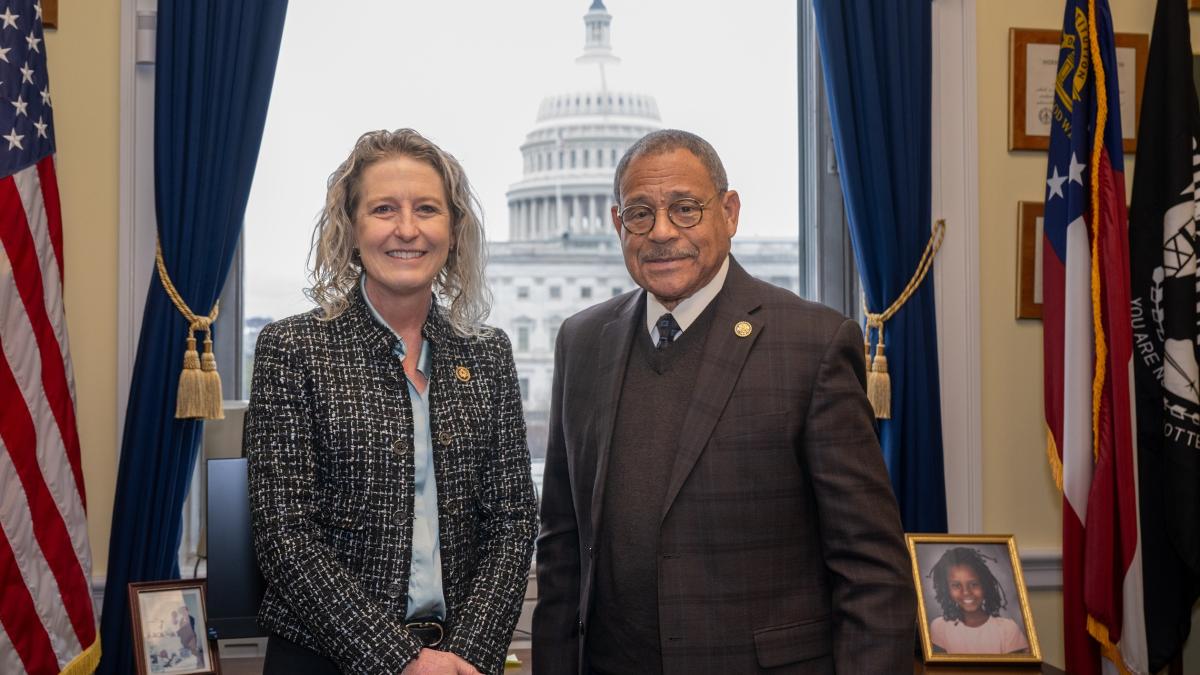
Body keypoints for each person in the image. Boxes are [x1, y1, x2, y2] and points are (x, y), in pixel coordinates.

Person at [532, 129, 916, 674]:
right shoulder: (582, 340)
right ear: (619, 225)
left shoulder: (813, 343)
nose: (662, 232)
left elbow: (871, 569)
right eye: (640, 213)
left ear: (729, 213)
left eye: (686, 209)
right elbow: (562, 546)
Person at [247, 129, 538, 675]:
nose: (407, 229)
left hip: (462, 661)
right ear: (351, 229)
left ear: (452, 231)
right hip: (325, 658)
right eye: (384, 209)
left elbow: (512, 519)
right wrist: (401, 660)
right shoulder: (293, 349)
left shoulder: (489, 352)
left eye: (427, 209)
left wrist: (468, 655)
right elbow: (285, 534)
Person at [927, 547, 1029, 654]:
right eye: (956, 585)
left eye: (974, 584)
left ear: (985, 585)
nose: (966, 592)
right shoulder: (939, 627)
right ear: (946, 590)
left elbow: (1015, 670)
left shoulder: (1008, 629)